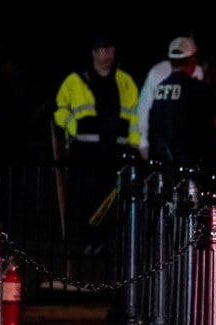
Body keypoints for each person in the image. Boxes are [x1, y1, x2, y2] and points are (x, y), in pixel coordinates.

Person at [52, 32, 140, 250]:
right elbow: (59, 110)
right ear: (94, 53)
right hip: (85, 150)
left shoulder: (125, 81)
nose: (108, 54)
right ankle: (83, 241)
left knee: (109, 201)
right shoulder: (76, 80)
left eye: (111, 49)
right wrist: (75, 126)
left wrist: (135, 144)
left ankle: (103, 242)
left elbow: (136, 116)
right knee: (84, 198)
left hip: (115, 149)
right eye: (103, 50)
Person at [148, 36, 216, 169]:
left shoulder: (161, 88)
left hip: (164, 163)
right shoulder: (198, 88)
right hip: (192, 165)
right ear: (192, 60)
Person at [137, 35, 205, 159]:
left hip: (163, 150)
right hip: (182, 154)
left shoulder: (160, 80)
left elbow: (145, 112)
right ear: (192, 58)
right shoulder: (157, 72)